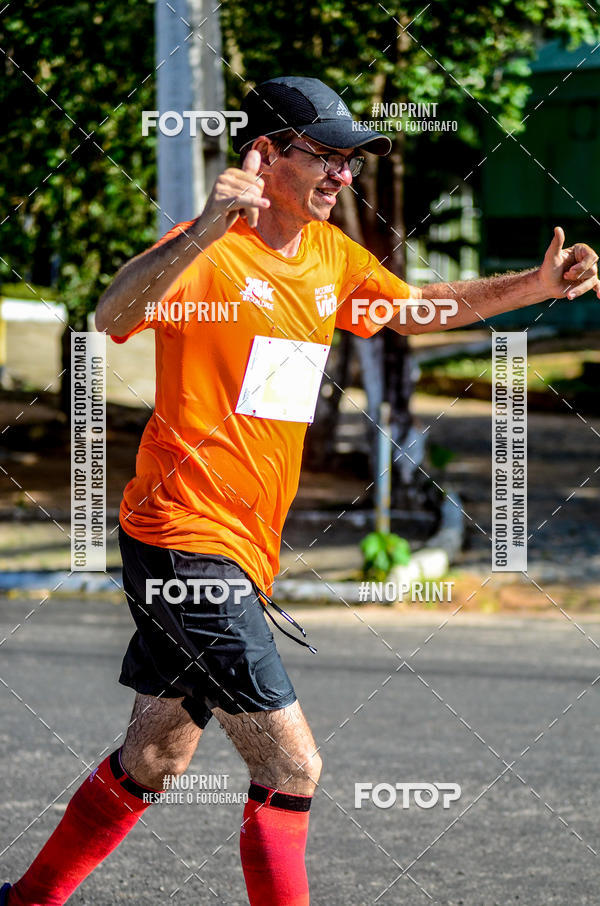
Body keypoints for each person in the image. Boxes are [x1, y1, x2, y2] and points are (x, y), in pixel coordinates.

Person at [3, 75, 598, 906]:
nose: (342, 176)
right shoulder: (209, 253)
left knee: (156, 758)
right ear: (266, 153)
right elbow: (111, 315)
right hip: (187, 541)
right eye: (324, 155)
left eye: (350, 162)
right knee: (291, 766)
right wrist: (207, 224)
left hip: (239, 554)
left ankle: (25, 900)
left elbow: (419, 306)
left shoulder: (329, 257)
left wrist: (532, 287)